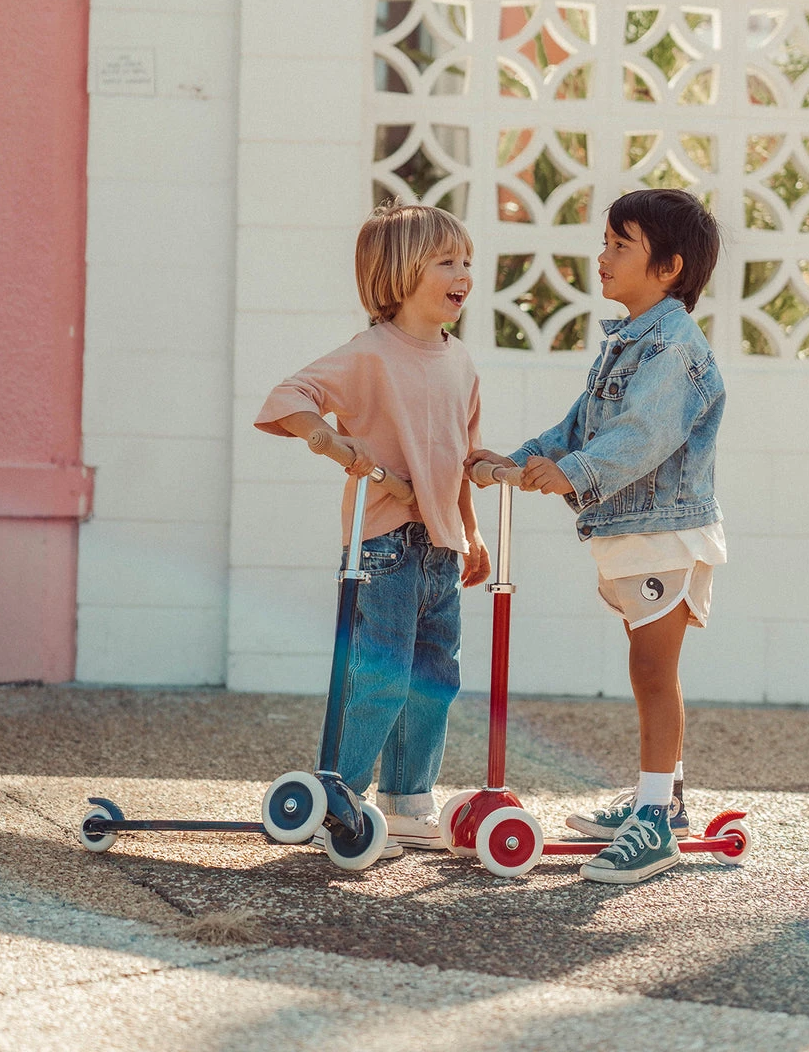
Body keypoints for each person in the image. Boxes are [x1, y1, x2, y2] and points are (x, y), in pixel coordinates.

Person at [467, 188, 725, 884]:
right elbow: (580, 424)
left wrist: (571, 473)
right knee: (648, 670)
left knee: (651, 671)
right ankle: (661, 798)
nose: (602, 256)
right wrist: (517, 463)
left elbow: (639, 437)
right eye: (605, 242)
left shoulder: (673, 349)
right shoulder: (629, 340)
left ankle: (654, 820)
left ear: (668, 268)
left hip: (664, 537)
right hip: (633, 534)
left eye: (619, 245)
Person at [255, 199, 491, 857]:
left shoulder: (461, 361)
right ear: (399, 272)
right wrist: (328, 439)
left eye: (466, 260)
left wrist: (469, 532)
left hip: (441, 547)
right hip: (385, 543)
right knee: (381, 675)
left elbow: (463, 456)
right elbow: (289, 397)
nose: (463, 272)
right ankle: (343, 793)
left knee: (434, 677)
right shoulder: (370, 355)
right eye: (447, 260)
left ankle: (409, 799)